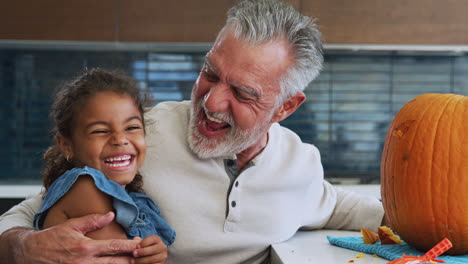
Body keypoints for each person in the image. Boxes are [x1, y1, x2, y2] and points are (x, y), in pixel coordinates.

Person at [0, 0, 386, 263]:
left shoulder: (299, 165)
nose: (213, 101)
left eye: (242, 93)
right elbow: (26, 216)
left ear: (286, 106)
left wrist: (439, 221)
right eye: (210, 73)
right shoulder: (136, 138)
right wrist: (25, 248)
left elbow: (337, 206)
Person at [31, 68, 175, 263]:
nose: (120, 139)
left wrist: (153, 252)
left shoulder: (131, 198)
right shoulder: (86, 188)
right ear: (67, 145)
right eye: (100, 131)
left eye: (132, 127)